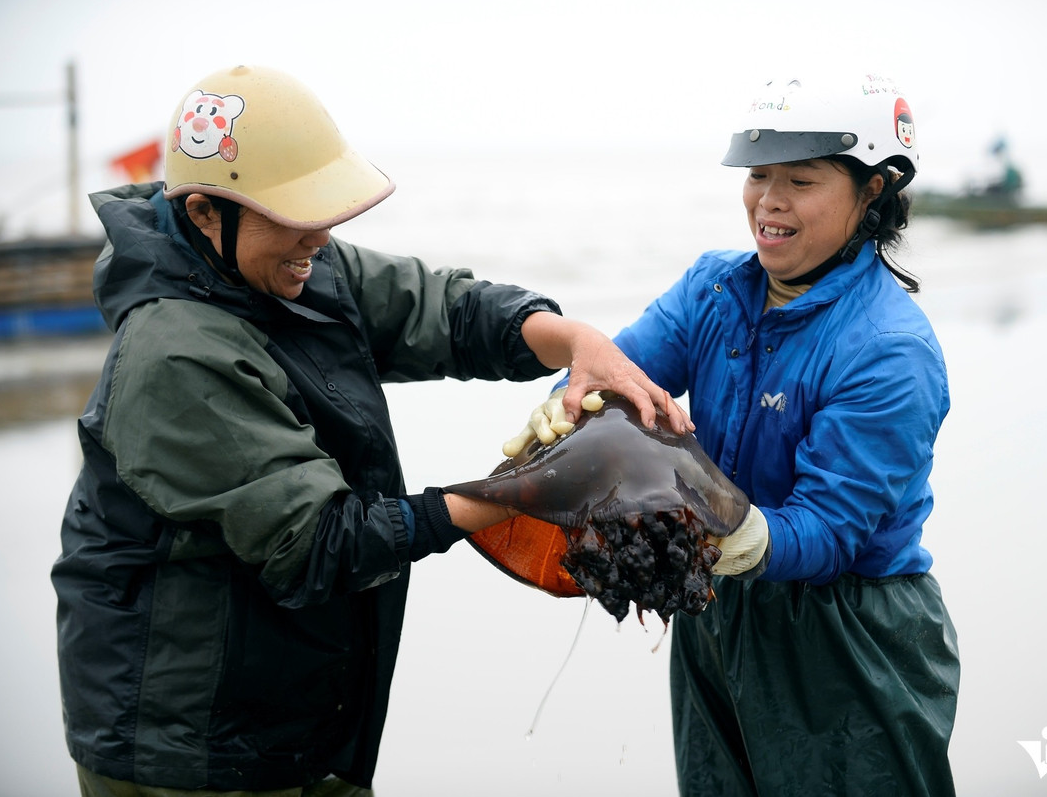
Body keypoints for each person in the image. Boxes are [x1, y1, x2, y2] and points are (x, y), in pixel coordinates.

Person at [50, 64, 690, 796]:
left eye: (322, 210)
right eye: (293, 215)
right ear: (203, 213)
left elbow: (441, 311)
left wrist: (575, 339)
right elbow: (325, 540)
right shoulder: (174, 354)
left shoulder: (290, 264)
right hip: (189, 738)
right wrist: (529, 489)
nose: (318, 236)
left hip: (298, 705)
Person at [601, 74, 960, 795]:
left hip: (850, 633)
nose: (769, 200)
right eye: (759, 175)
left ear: (875, 191)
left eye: (801, 179)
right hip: (718, 608)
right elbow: (623, 374)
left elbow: (829, 530)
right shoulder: (713, 291)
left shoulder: (889, 349)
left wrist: (735, 536)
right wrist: (572, 405)